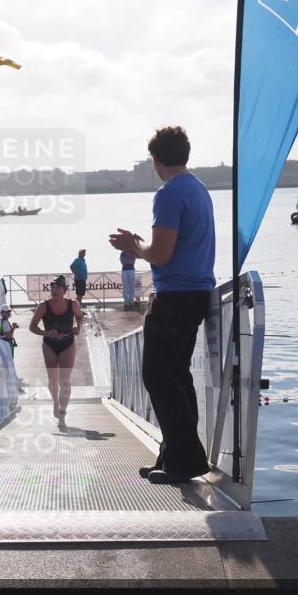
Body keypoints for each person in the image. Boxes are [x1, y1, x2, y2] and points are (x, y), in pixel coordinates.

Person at [109, 125, 214, 484]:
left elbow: (161, 254)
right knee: (177, 376)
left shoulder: (169, 194)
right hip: (196, 292)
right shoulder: (198, 188)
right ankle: (174, 456)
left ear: (155, 159)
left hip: (175, 296)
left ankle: (185, 461)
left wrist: (134, 246)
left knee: (158, 376)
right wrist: (143, 245)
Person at [29, 275, 83, 429]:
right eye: (52, 287)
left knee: (65, 381)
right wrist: (45, 333)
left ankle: (62, 415)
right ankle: (56, 401)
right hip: (49, 345)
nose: (54, 290)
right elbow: (32, 327)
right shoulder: (43, 306)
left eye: (58, 287)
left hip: (67, 344)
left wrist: (78, 327)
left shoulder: (73, 304)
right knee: (53, 382)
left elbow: (80, 317)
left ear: (64, 290)